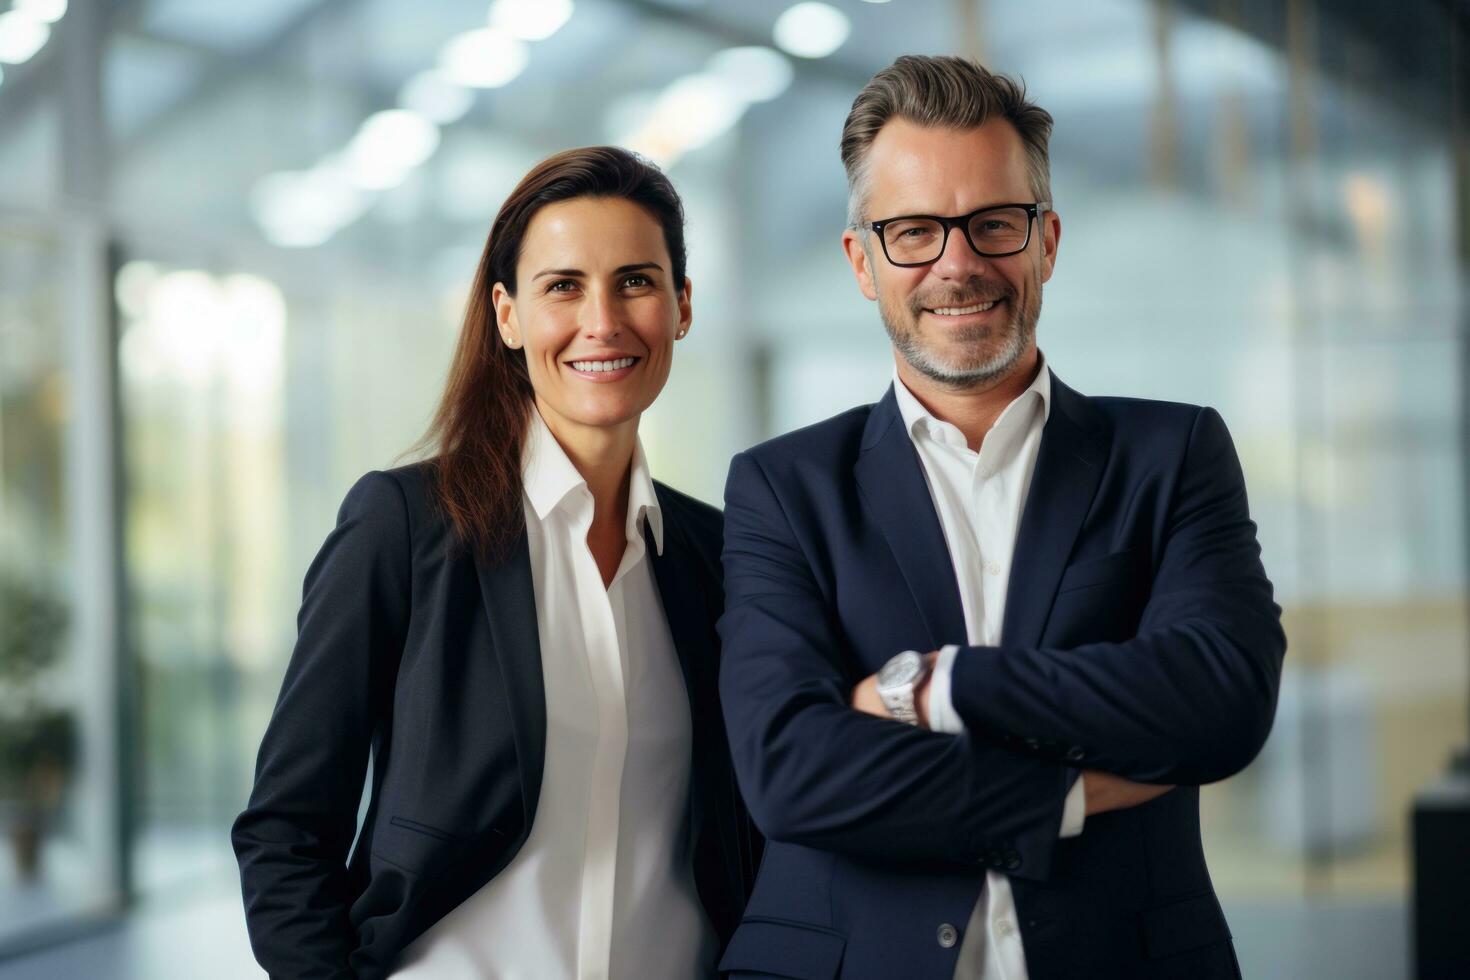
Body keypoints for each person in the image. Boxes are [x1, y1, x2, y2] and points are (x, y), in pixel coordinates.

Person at [716, 55, 1285, 980]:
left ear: (1047, 241)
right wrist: (1065, 790)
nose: (959, 263)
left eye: (994, 223)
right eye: (913, 231)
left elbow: (1220, 700)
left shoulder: (1171, 456)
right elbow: (791, 771)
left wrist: (936, 690)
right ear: (863, 260)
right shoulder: (785, 488)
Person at [231, 146, 759, 980]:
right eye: (563, 286)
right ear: (508, 315)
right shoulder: (403, 526)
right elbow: (285, 831)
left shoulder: (721, 557)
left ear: (682, 305)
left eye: (636, 281)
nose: (603, 321)